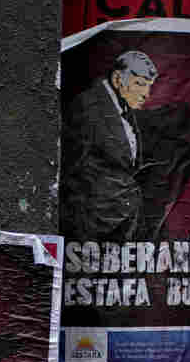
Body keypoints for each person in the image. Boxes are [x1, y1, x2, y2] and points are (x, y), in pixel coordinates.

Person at [59, 50, 159, 243]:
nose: (146, 94)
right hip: (92, 231)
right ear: (117, 79)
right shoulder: (88, 108)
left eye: (149, 86)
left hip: (121, 225)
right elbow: (69, 171)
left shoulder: (122, 107)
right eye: (139, 84)